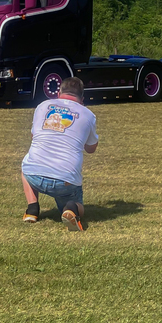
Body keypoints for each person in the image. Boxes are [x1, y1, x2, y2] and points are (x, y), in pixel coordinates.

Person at [21, 77, 99, 231]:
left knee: (25, 166)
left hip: (34, 174)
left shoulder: (42, 106)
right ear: (82, 99)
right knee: (77, 204)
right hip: (65, 181)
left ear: (58, 93)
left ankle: (32, 209)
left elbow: (34, 136)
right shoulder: (89, 115)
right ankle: (72, 208)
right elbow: (91, 148)